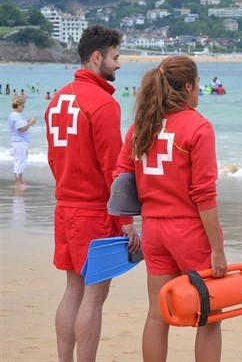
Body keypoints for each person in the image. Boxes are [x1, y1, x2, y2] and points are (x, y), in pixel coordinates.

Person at [114, 55, 227, 361]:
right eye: (198, 84)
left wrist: (128, 222)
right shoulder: (198, 127)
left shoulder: (141, 126)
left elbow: (121, 179)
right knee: (210, 314)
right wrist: (217, 248)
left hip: (153, 230)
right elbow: (203, 193)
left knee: (157, 313)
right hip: (189, 230)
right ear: (188, 86)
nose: (198, 90)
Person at [44, 24, 140, 362]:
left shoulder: (57, 99)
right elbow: (113, 169)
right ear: (97, 57)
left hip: (64, 206)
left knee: (72, 290)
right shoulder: (103, 104)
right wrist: (127, 220)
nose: (119, 64)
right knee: (93, 296)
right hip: (93, 213)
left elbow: (54, 158)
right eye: (115, 57)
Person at [7, 95, 36, 187]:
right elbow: (21, 129)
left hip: (18, 141)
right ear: (19, 105)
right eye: (23, 106)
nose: (23, 108)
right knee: (20, 161)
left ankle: (20, 181)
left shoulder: (13, 116)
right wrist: (30, 123)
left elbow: (20, 126)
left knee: (21, 160)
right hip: (19, 142)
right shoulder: (16, 116)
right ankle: (18, 182)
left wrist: (28, 122)